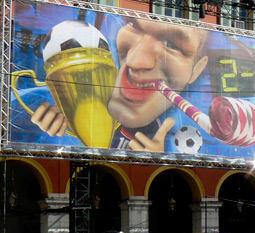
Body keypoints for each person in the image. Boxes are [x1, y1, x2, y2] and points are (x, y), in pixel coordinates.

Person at [32, 18, 209, 152]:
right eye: (133, 25)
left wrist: (156, 163)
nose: (136, 60)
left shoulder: (153, 131)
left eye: (171, 45)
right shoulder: (56, 98)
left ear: (197, 70)